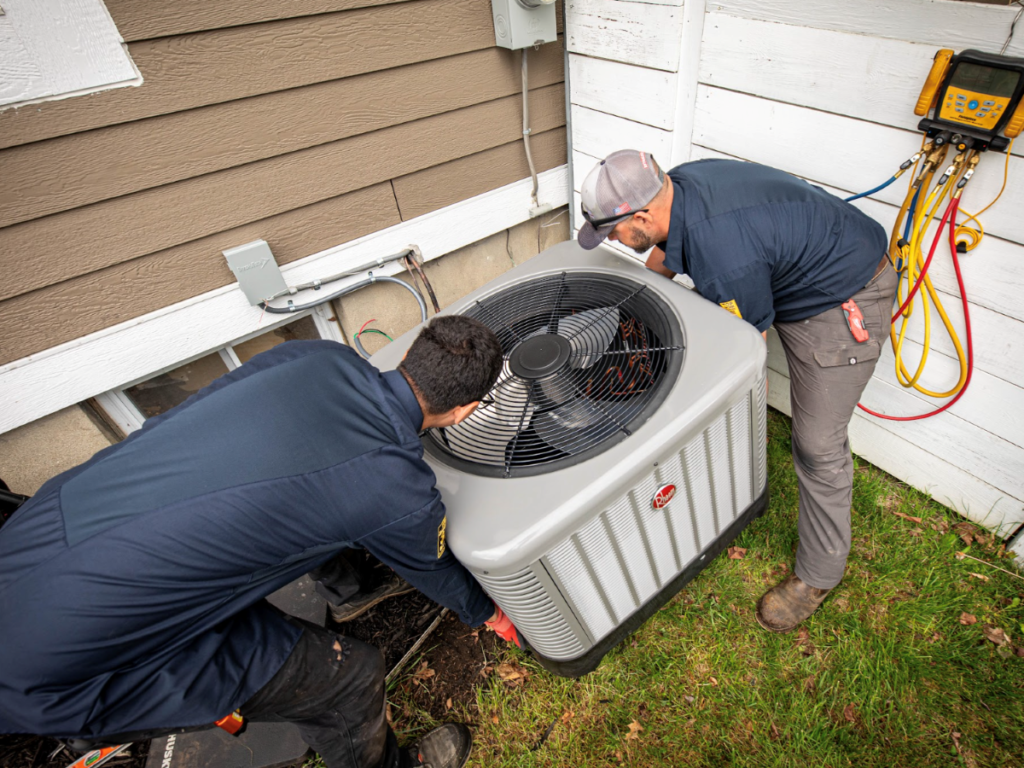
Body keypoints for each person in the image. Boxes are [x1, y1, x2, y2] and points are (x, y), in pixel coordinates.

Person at [0, 316, 521, 768]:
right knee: (349, 676)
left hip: (39, 537)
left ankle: (351, 589)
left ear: (409, 351)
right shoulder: (394, 486)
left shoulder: (315, 357)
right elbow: (432, 566)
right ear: (464, 411)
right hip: (76, 667)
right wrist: (489, 614)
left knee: (304, 492)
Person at [577, 150, 898, 633]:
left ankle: (819, 574)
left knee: (817, 445)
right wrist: (636, 311)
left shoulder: (724, 257)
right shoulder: (678, 186)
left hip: (842, 294)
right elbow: (668, 250)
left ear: (641, 214)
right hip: (791, 264)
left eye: (612, 231)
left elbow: (745, 354)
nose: (613, 241)